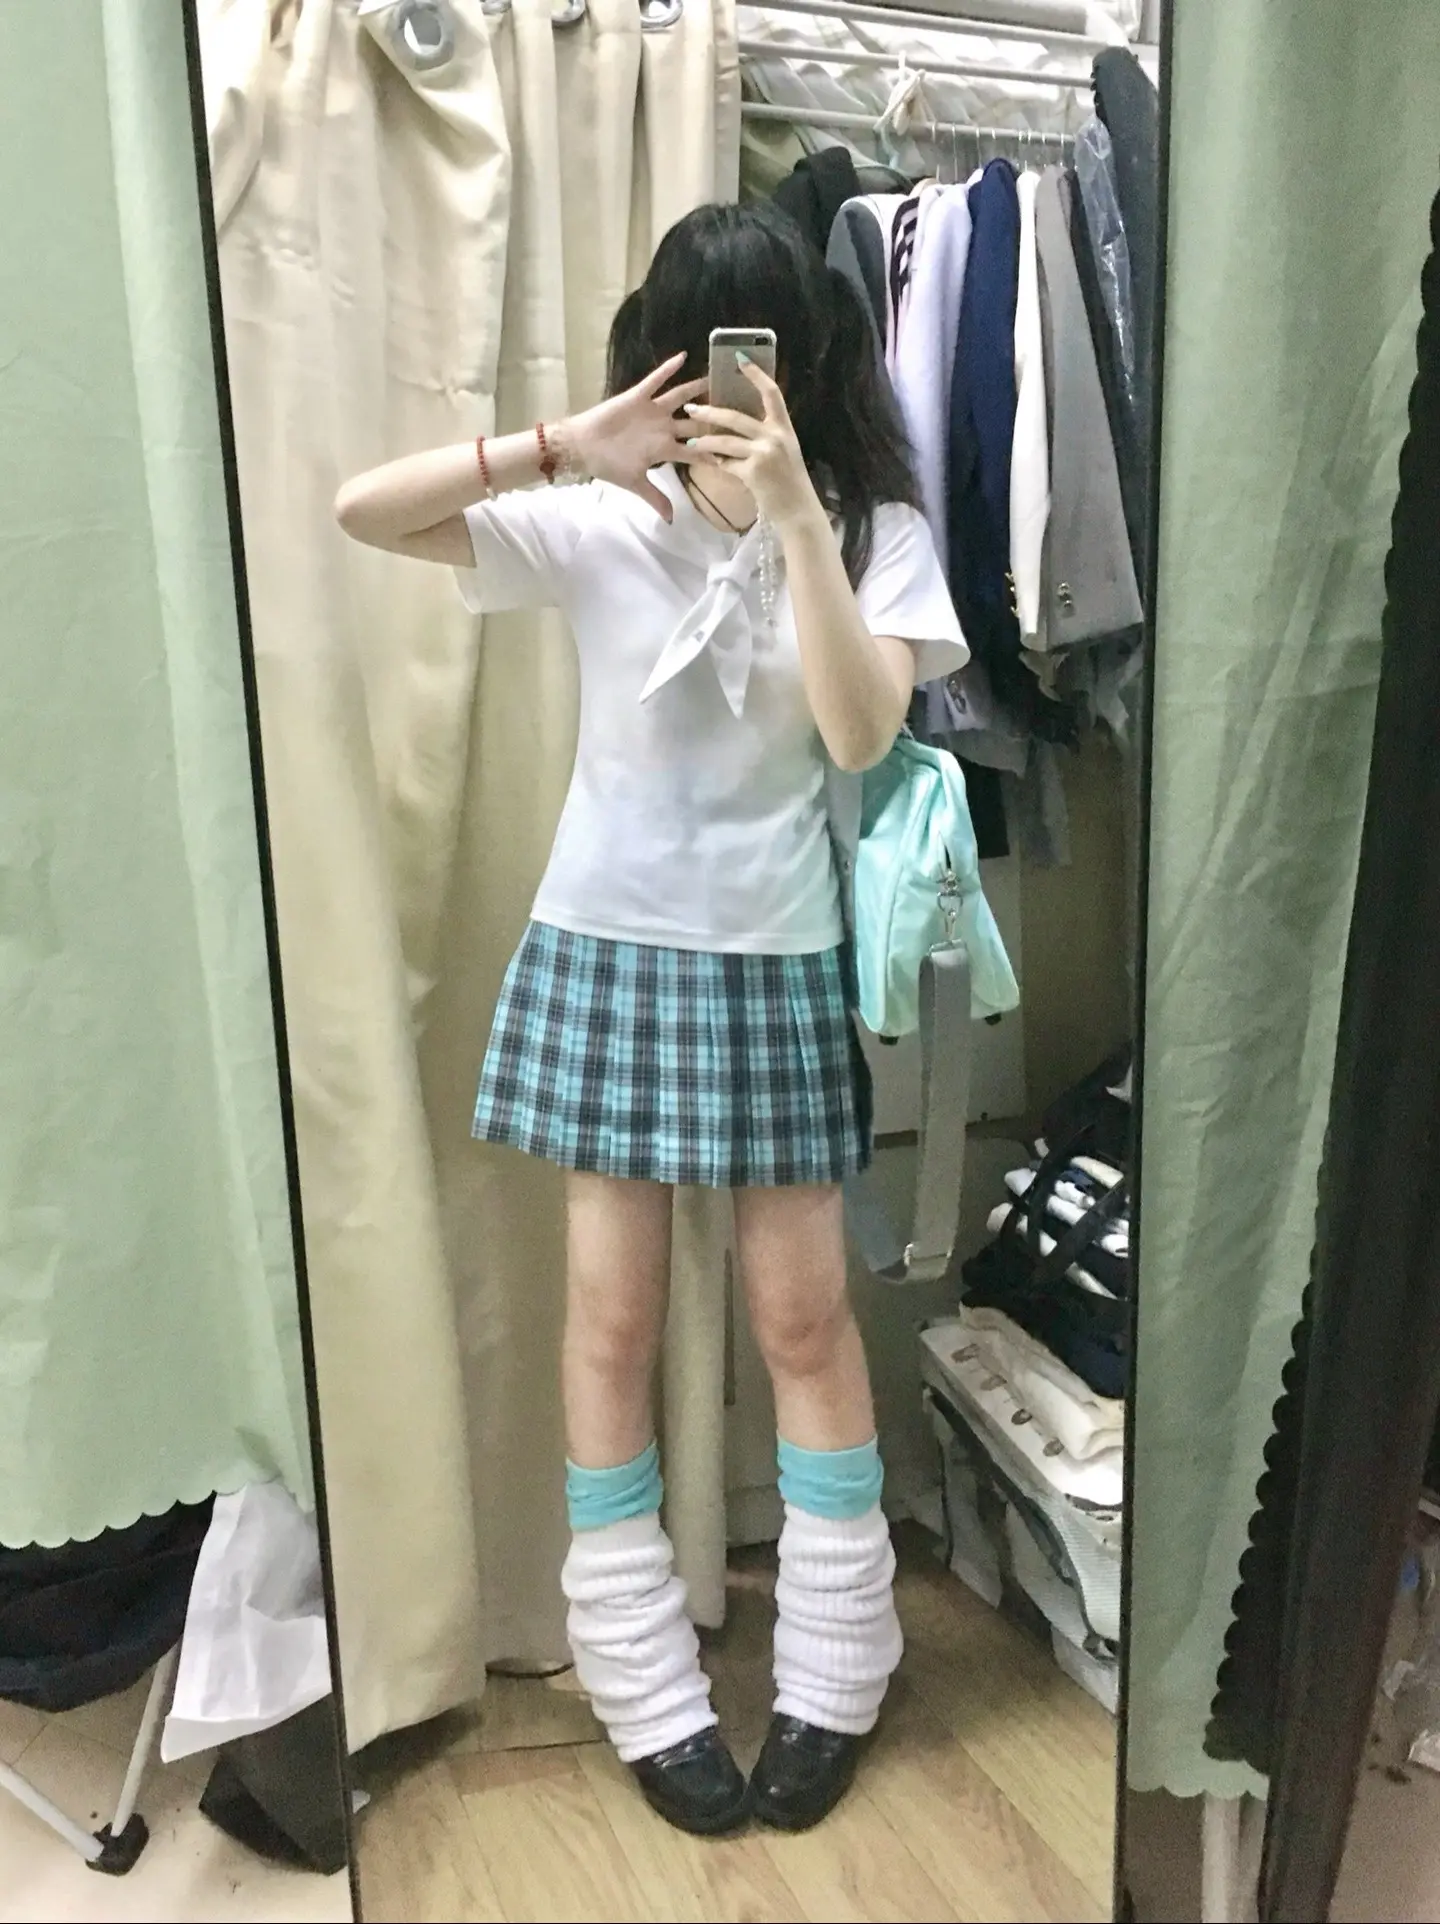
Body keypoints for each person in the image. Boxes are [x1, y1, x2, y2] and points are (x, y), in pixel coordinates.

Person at [335, 201, 968, 1837]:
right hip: (605, 956)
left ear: (808, 361)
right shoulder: (600, 521)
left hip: (776, 958)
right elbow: (361, 511)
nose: (732, 390)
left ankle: (836, 1669)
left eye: (760, 355)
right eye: (701, 358)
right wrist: (567, 442)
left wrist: (801, 521)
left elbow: (859, 734)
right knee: (610, 1328)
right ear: (659, 360)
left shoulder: (876, 530)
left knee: (804, 1325)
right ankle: (638, 1679)